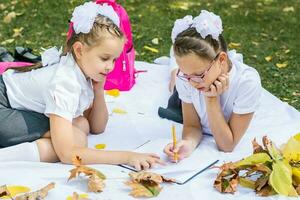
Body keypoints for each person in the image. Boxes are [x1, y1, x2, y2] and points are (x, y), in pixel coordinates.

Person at [0, 2, 163, 170]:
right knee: (76, 140)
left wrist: (98, 91)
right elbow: (67, 155)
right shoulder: (65, 82)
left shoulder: (83, 71)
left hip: (11, 105)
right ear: (79, 50)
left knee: (81, 125)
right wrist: (127, 156)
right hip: (2, 107)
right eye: (105, 58)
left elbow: (97, 127)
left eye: (114, 59)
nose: (111, 66)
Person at [164, 10, 262, 162]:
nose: (192, 82)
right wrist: (188, 144)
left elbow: (227, 145)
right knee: (173, 83)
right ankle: (174, 67)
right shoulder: (186, 79)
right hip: (183, 81)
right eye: (187, 75)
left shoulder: (247, 83)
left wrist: (211, 99)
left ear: (222, 59)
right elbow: (192, 126)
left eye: (199, 74)